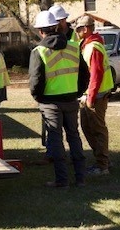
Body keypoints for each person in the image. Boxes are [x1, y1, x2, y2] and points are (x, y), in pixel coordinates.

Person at [29, 11, 89, 188]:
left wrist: (39, 98)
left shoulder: (39, 51)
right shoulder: (73, 46)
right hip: (71, 100)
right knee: (74, 137)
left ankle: (62, 180)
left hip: (50, 102)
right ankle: (80, 178)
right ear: (56, 26)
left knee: (55, 140)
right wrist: (77, 92)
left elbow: (35, 80)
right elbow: (85, 74)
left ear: (41, 31)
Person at [75, 14, 113, 176]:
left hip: (96, 96)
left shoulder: (93, 47)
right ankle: (101, 160)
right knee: (87, 127)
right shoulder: (87, 44)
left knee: (97, 129)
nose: (76, 32)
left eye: (78, 29)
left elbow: (96, 74)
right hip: (90, 95)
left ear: (85, 29)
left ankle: (102, 165)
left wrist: (90, 98)